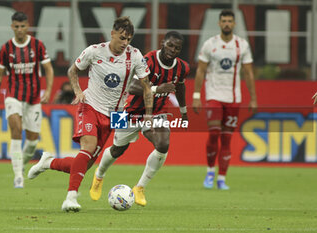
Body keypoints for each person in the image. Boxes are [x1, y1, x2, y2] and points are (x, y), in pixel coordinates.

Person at [27, 16, 153, 212]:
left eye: (128, 39)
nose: (125, 43)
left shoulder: (135, 56)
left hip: (116, 114)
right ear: (112, 33)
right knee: (88, 147)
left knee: (84, 165)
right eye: (122, 38)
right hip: (90, 105)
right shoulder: (94, 51)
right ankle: (70, 198)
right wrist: (78, 92)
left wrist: (149, 115)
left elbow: (146, 87)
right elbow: (72, 71)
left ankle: (48, 162)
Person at [89, 31, 190, 206]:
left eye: (177, 48)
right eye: (170, 45)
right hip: (128, 109)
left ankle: (140, 187)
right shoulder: (146, 60)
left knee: (163, 143)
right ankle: (99, 176)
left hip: (157, 111)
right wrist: (158, 89)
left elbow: (179, 87)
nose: (173, 50)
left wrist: (184, 111)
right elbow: (132, 87)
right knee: (117, 150)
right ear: (162, 43)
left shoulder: (182, 67)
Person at [192, 9, 257, 190]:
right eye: (224, 21)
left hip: (234, 97)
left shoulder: (242, 45)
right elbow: (200, 71)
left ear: (234, 24)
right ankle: (210, 171)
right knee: (214, 133)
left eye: (230, 21)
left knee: (227, 138)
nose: (227, 24)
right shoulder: (210, 44)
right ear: (219, 23)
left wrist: (253, 98)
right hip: (213, 95)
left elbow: (248, 72)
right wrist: (196, 96)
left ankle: (222, 178)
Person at [0, 12, 54, 188]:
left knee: (32, 141)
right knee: (16, 130)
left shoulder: (37, 45)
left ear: (27, 26)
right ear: (12, 27)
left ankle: (21, 164)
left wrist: (48, 90)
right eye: (16, 26)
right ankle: (18, 175)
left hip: (33, 98)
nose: (19, 30)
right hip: (13, 96)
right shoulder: (6, 49)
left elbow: (48, 69)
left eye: (22, 26)